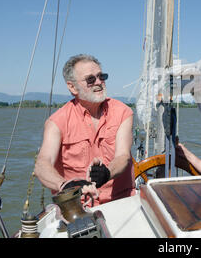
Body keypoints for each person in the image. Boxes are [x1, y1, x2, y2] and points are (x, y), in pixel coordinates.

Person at [34, 54, 136, 206]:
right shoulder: (56, 122)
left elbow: (123, 156)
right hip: (77, 206)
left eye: (102, 77)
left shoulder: (123, 113)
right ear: (72, 87)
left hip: (120, 202)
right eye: (90, 79)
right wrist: (64, 186)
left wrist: (107, 173)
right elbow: (42, 164)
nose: (99, 82)